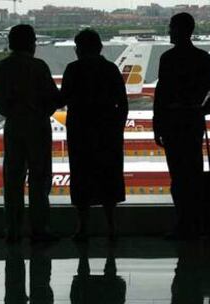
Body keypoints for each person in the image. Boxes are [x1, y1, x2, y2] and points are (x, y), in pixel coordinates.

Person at [153, 13, 210, 240]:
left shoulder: (168, 59)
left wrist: (157, 125)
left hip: (173, 122)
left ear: (180, 30)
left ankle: (183, 223)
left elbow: (160, 96)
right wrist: (201, 109)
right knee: (193, 174)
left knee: (178, 176)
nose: (169, 32)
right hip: (192, 121)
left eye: (172, 27)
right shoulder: (203, 58)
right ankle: (196, 224)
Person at [0, 24, 60, 243]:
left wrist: (13, 113)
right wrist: (39, 113)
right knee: (39, 179)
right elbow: (53, 99)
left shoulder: (1, 67)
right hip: (37, 127)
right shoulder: (38, 67)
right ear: (32, 43)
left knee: (12, 179)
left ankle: (13, 229)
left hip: (14, 126)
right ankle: (40, 229)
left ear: (10, 43)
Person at [59, 29, 128, 241]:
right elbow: (123, 103)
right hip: (108, 132)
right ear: (100, 47)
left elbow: (62, 99)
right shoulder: (110, 69)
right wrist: (117, 127)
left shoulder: (73, 69)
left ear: (79, 49)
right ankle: (111, 226)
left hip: (81, 132)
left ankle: (82, 228)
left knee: (81, 177)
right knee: (109, 176)